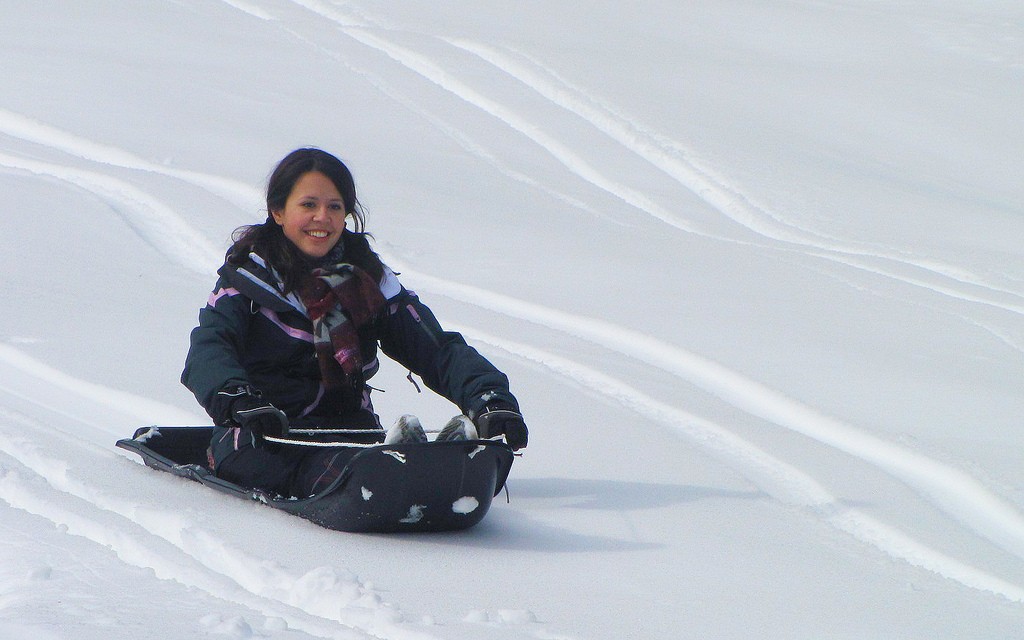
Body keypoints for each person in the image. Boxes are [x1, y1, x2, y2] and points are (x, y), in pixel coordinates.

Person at [181, 148, 528, 498]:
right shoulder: (246, 284)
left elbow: (436, 350)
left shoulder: (367, 283)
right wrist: (239, 400)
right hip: (260, 437)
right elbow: (209, 349)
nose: (323, 217)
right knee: (341, 470)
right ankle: (396, 474)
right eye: (308, 205)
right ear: (278, 211)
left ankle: (424, 465)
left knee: (352, 461)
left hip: (350, 432)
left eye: (334, 206)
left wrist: (490, 399)